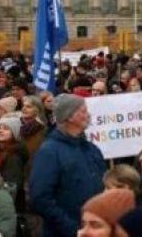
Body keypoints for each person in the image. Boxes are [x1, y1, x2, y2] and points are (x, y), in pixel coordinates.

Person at [29, 94, 104, 237]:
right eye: (83, 111)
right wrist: (71, 229)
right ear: (69, 116)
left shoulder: (92, 149)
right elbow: (40, 198)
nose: (88, 115)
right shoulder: (50, 151)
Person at [0, 116, 27, 211]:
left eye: (6, 129)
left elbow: (11, 186)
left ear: (14, 133)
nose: (0, 131)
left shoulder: (13, 157)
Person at [19, 96, 47, 175]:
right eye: (23, 106)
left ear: (37, 110)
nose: (23, 108)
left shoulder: (39, 129)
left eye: (28, 107)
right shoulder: (22, 126)